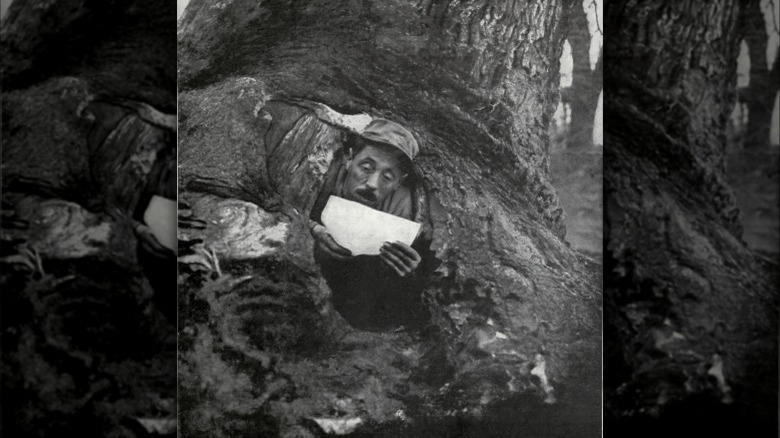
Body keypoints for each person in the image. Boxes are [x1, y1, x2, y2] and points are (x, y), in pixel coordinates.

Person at [308, 118, 432, 332]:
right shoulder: (319, 174)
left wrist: (409, 272)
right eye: (366, 167)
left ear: (399, 181)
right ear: (349, 159)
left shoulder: (404, 207)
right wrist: (312, 229)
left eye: (387, 176)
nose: (373, 184)